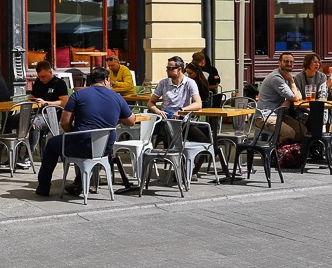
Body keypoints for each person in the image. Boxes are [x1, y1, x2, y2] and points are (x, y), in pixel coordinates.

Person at [35, 67, 135, 196]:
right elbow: (131, 121)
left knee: (52, 144)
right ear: (106, 80)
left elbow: (65, 123)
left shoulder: (78, 94)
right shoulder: (117, 97)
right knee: (87, 145)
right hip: (105, 147)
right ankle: (79, 183)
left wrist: (73, 133)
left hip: (81, 145)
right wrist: (116, 120)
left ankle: (43, 187)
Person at [148, 56, 207, 145]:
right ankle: (174, 156)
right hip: (167, 121)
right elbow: (150, 102)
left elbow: (198, 104)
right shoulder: (163, 83)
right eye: (167, 68)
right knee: (173, 136)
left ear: (179, 69)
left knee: (205, 140)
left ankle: (193, 158)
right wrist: (157, 111)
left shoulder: (190, 83)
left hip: (184, 120)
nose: (167, 70)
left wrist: (182, 110)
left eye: (170, 68)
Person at [256, 52, 304, 143]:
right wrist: (292, 82)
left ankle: (292, 153)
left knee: (302, 131)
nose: (289, 64)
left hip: (279, 114)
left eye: (291, 62)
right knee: (289, 133)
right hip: (266, 116)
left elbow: (298, 95)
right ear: (279, 62)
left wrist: (291, 96)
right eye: (286, 61)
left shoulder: (286, 77)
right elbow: (294, 97)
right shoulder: (276, 78)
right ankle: (277, 154)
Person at [29, 60, 70, 151]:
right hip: (36, 112)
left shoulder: (59, 83)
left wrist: (46, 103)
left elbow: (64, 102)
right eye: (39, 77)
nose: (41, 79)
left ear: (50, 72)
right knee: (10, 120)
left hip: (52, 115)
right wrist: (32, 101)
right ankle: (8, 154)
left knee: (34, 124)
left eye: (43, 76)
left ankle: (28, 156)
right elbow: (31, 97)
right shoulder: (38, 82)